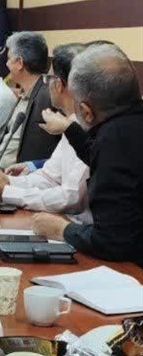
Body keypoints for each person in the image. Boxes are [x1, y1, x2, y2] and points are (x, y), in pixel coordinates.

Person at [32, 44, 143, 265]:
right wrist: (71, 130)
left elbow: (112, 241)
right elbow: (96, 155)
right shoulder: (130, 123)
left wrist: (62, 229)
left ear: (86, 111)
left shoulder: (113, 140)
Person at [0, 44, 90, 217]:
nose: (46, 85)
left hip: (78, 225)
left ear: (58, 84)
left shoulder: (85, 127)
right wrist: (8, 181)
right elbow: (49, 178)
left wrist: (8, 192)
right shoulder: (71, 121)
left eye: (48, 78)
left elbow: (72, 197)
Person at [0, 31, 59, 167]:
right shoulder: (23, 93)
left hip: (19, 176)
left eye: (8, 59)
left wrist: (27, 169)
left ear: (19, 63)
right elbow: (12, 140)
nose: (6, 64)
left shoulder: (47, 98)